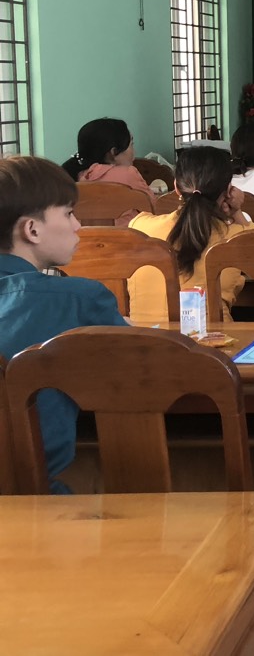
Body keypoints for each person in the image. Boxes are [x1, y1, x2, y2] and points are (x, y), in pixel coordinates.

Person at [0, 156, 128, 493]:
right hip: (35, 502)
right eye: (69, 213)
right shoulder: (78, 299)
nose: (78, 225)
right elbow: (146, 372)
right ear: (32, 229)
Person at [128, 146, 254, 323]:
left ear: (176, 187)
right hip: (215, 338)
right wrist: (237, 212)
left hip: (146, 337)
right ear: (227, 191)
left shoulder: (139, 227)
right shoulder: (237, 236)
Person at [61, 117, 157, 210]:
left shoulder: (72, 177)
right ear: (113, 152)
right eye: (131, 144)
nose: (134, 151)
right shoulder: (129, 174)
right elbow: (154, 207)